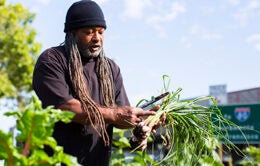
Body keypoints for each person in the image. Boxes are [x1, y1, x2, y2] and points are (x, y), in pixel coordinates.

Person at [33, 0, 164, 165]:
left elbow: (122, 116)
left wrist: (140, 129)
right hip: (55, 161)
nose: (97, 38)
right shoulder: (53, 60)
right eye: (88, 32)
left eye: (101, 32)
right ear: (72, 33)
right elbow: (65, 107)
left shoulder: (110, 68)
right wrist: (115, 114)